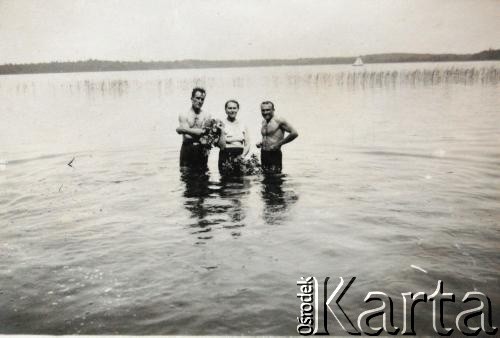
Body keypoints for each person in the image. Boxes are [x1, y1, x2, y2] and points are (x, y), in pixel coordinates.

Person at [176, 87, 213, 171]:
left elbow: (204, 133)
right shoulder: (184, 114)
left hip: (202, 149)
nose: (200, 101)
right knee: (186, 177)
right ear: (192, 98)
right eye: (197, 98)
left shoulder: (207, 115)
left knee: (203, 177)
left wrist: (184, 130)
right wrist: (200, 133)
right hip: (187, 149)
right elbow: (187, 137)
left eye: (202, 99)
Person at [256, 101, 298, 174]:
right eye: (263, 110)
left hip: (274, 154)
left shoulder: (279, 120)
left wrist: (278, 144)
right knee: (265, 178)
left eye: (268, 110)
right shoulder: (264, 121)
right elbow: (268, 136)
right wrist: (261, 142)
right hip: (264, 153)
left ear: (273, 110)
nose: (265, 112)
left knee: (275, 180)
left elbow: (294, 133)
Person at [218, 99, 250, 175]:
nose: (232, 110)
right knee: (225, 183)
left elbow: (247, 144)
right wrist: (222, 131)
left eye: (234, 108)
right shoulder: (220, 124)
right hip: (225, 156)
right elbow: (221, 146)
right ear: (225, 110)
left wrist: (242, 156)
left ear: (238, 109)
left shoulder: (243, 124)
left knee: (239, 183)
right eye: (230, 108)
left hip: (240, 156)